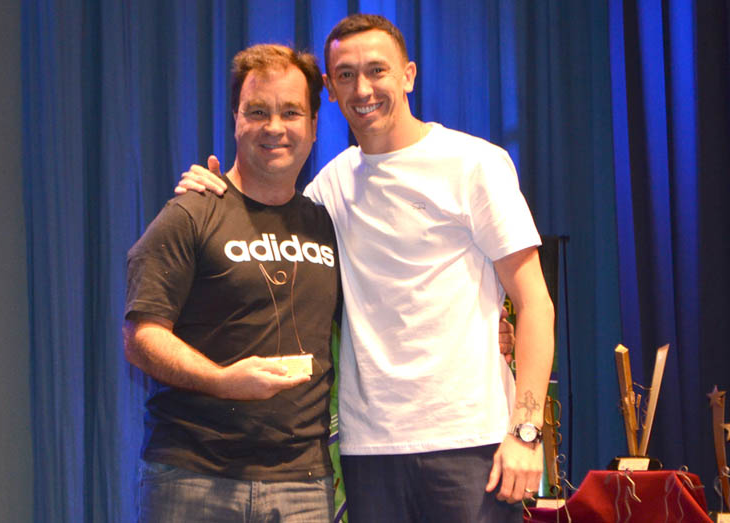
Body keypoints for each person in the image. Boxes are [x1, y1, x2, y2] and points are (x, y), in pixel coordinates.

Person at [178, 13, 554, 522]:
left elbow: (535, 304)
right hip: (368, 452)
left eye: (377, 70)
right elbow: (261, 219)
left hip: (471, 442)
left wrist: (525, 433)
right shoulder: (327, 189)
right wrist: (215, 189)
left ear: (408, 75)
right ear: (330, 89)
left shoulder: (474, 164)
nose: (363, 88)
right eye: (346, 75)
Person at [123, 44, 341, 522]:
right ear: (236, 121)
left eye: (291, 112)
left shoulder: (328, 227)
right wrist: (223, 382)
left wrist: (493, 326)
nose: (274, 127)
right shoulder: (191, 214)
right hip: (192, 477)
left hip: (303, 484)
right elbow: (142, 338)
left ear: (313, 126)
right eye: (257, 112)